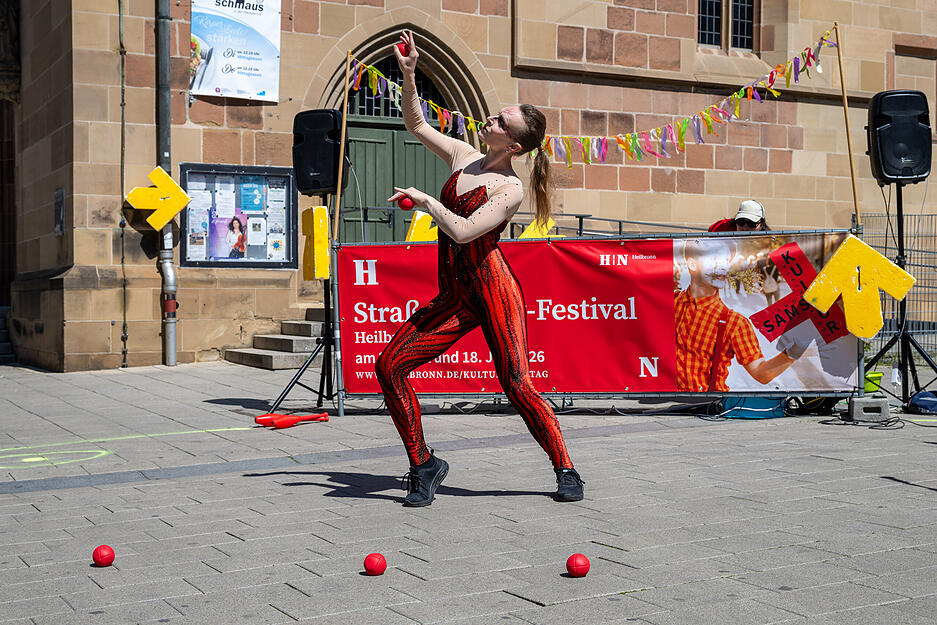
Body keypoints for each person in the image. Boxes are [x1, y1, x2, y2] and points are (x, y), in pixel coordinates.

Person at [376, 30, 583, 507]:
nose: (488, 119)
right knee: (390, 367)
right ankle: (423, 464)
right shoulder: (465, 156)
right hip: (455, 296)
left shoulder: (508, 189)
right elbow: (418, 125)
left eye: (499, 120)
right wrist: (408, 75)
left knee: (516, 383)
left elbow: (467, 233)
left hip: (494, 292)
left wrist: (427, 200)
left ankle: (565, 467)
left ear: (512, 143)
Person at [675, 239, 808, 392]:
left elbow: (761, 373)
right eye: (715, 259)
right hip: (661, 402)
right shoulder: (670, 302)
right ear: (692, 264)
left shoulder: (735, 322)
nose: (723, 266)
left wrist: (793, 352)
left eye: (726, 260)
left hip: (705, 405)